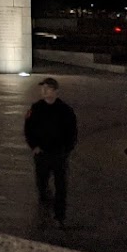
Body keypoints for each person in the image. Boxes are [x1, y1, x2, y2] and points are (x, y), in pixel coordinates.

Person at [23, 76, 78, 226]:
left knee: (61, 186)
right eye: (43, 88)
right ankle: (44, 208)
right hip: (42, 154)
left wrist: (67, 149)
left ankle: (60, 216)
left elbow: (72, 132)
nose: (44, 91)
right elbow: (28, 128)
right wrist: (34, 146)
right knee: (41, 183)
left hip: (59, 154)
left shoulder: (65, 110)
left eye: (47, 88)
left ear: (55, 91)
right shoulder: (36, 108)